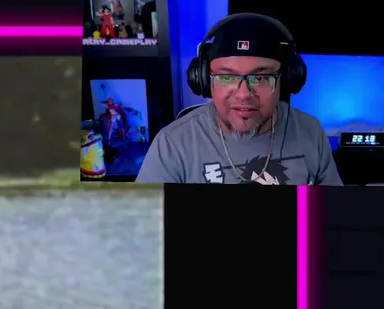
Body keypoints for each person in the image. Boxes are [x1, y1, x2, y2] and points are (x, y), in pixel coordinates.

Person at [136, 14, 342, 185]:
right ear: (204, 80)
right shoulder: (172, 144)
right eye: (227, 77)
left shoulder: (311, 132)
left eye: (261, 77)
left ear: (286, 79)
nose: (243, 94)